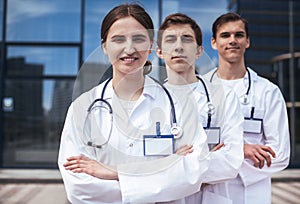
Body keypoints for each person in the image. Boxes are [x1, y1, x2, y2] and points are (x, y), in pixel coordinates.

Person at [58, 3, 210, 203]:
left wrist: (114, 173)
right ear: (105, 46)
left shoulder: (179, 105)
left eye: (138, 39)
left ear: (150, 47)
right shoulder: (82, 108)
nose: (129, 49)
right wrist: (165, 169)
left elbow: (193, 173)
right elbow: (79, 187)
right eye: (118, 39)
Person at [156, 13, 244, 203]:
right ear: (160, 52)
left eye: (186, 39)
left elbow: (231, 161)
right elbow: (147, 164)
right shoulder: (148, 102)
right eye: (171, 40)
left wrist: (174, 166)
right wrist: (204, 161)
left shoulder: (225, 97)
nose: (179, 46)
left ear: (198, 51)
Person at [204, 12, 290, 204]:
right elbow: (191, 150)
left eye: (239, 35)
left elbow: (281, 154)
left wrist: (222, 159)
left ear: (247, 42)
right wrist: (240, 150)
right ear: (213, 43)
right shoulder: (198, 91)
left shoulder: (268, 91)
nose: (232, 40)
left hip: (252, 193)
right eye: (225, 35)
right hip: (209, 191)